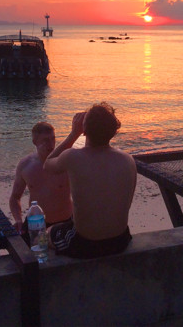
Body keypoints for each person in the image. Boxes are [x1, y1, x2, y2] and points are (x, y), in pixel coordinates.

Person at [43, 102, 137, 259]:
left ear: (85, 131)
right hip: (120, 240)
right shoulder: (128, 159)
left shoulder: (73, 157)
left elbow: (47, 164)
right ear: (113, 131)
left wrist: (73, 134)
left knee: (47, 232)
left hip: (86, 243)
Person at [9, 122, 73, 236]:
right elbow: (15, 197)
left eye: (53, 138)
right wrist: (18, 219)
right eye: (45, 140)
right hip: (36, 223)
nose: (51, 144)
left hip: (65, 221)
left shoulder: (64, 162)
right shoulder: (25, 165)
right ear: (35, 142)